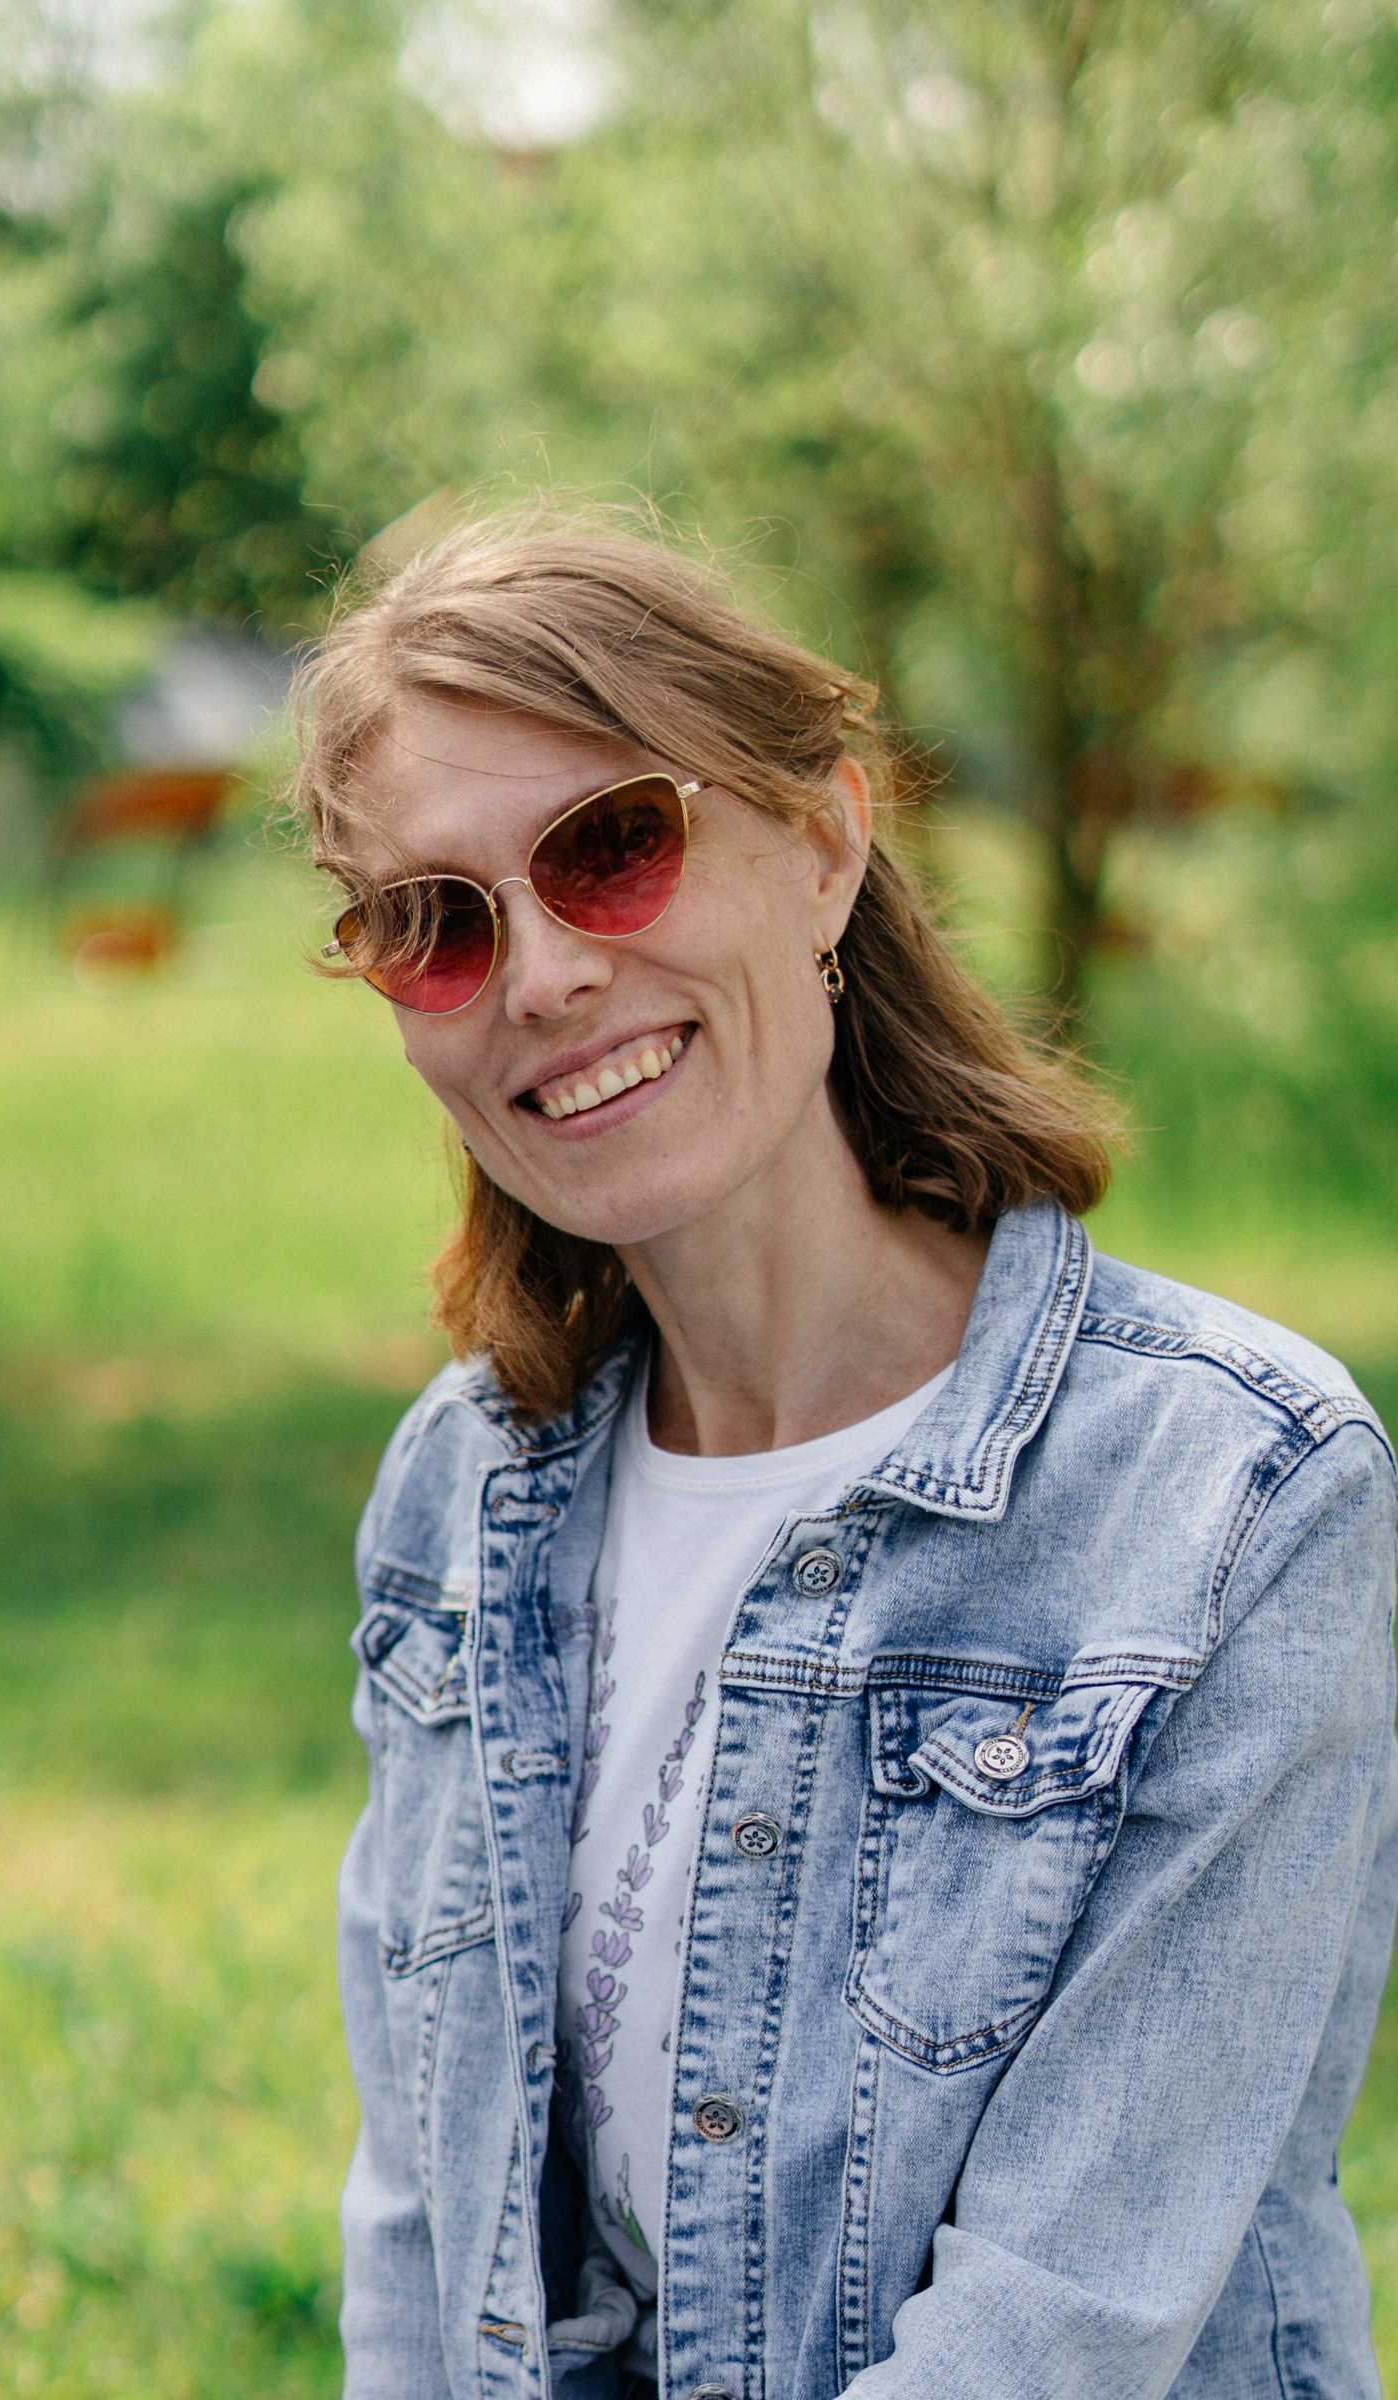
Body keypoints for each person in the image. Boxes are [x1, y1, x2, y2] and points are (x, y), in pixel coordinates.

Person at [293, 514, 1398, 2400]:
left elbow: (1065, 2322)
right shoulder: (467, 1489)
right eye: (439, 924)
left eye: (611, 846)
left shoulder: (1231, 1497)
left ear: (823, 846)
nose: (540, 977)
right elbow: (427, 2225)